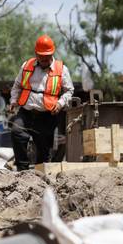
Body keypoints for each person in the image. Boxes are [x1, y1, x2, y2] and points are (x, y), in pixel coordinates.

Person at [9, 35, 74, 171]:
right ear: (36, 53)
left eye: (47, 56)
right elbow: (17, 86)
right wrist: (14, 101)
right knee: (17, 132)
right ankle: (22, 169)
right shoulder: (26, 66)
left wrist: (60, 103)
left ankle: (40, 174)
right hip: (26, 112)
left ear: (52, 53)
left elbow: (69, 91)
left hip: (47, 116)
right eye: (41, 56)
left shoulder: (62, 70)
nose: (44, 59)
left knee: (43, 149)